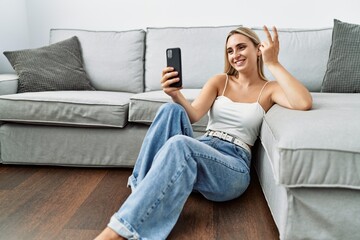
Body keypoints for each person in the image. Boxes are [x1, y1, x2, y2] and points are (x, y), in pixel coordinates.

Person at [95, 25, 312, 240]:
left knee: (180, 144)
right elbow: (194, 114)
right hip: (204, 145)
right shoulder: (220, 81)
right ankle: (142, 195)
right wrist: (175, 95)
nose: (235, 55)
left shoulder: (270, 89)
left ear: (258, 49)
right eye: (230, 50)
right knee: (170, 109)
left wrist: (273, 62)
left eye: (241, 47)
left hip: (232, 163)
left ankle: (119, 231)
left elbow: (303, 102)